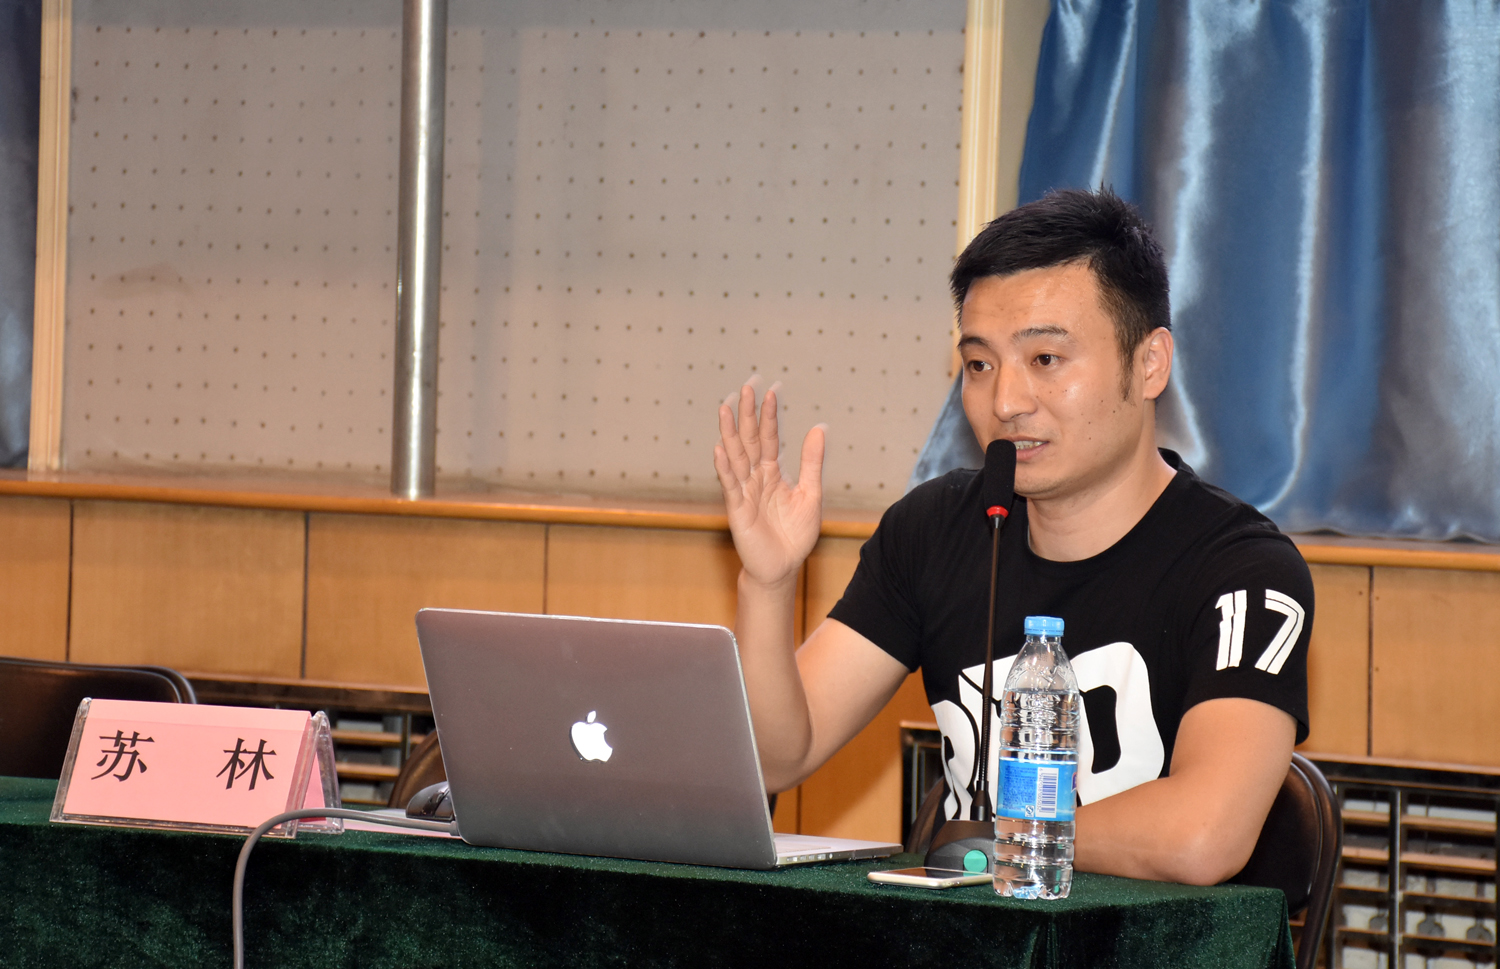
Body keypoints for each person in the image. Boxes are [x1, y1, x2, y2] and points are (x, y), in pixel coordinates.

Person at [711, 188, 1312, 886]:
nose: (1005, 402)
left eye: (1046, 359)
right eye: (980, 364)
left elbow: (1202, 835)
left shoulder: (1243, 571)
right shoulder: (934, 530)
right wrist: (768, 582)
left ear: (1149, 363)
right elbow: (779, 756)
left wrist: (991, 838)